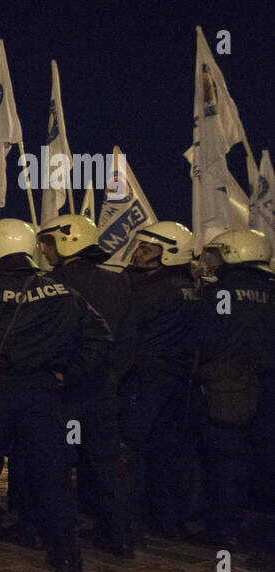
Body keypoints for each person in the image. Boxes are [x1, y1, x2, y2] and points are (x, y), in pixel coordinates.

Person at [0, 218, 111, 572]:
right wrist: (69, 374)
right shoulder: (63, 292)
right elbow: (100, 338)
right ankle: (65, 553)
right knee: (54, 474)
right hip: (46, 393)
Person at [38, 214, 134, 556]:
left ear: (66, 242)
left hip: (65, 392)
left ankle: (63, 542)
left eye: (48, 243)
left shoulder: (49, 284)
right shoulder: (119, 282)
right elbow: (126, 339)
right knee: (107, 464)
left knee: (60, 465)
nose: (45, 251)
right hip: (104, 389)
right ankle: (118, 536)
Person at [118, 220, 201, 537]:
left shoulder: (154, 290)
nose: (138, 253)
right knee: (165, 451)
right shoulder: (189, 288)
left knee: (133, 448)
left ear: (169, 253)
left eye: (147, 248)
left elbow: (128, 329)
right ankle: (167, 519)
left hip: (146, 378)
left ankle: (132, 518)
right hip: (177, 380)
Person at [195, 229, 275, 544]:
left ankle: (226, 528)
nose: (212, 260)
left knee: (228, 459)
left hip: (230, 389)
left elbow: (207, 340)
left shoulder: (220, 293)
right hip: (270, 384)